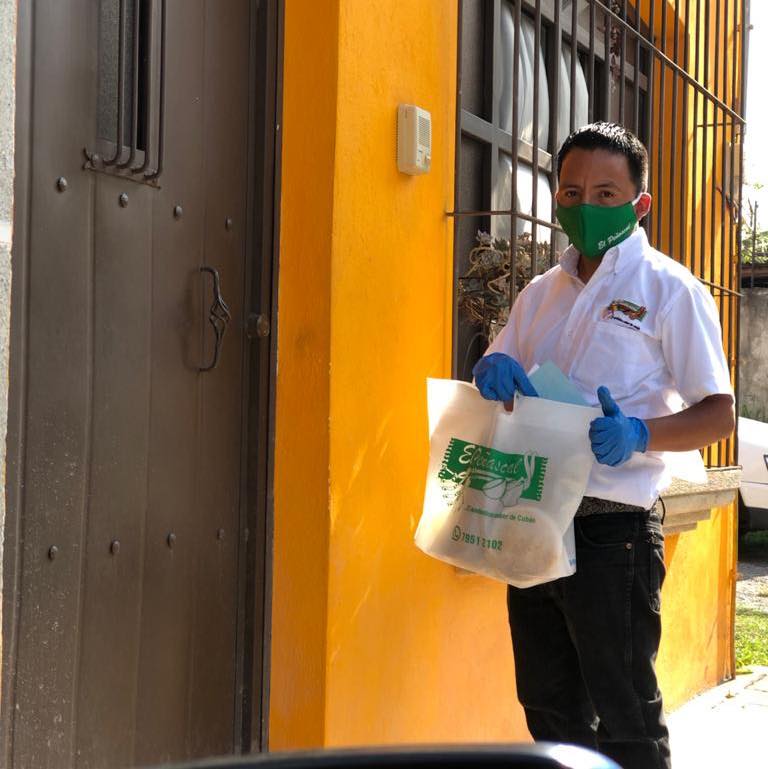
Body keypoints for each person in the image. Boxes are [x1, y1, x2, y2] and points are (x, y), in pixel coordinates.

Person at [471, 122, 734, 769]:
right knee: (550, 710)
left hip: (613, 532)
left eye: (607, 193)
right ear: (557, 197)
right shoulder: (540, 295)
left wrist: (640, 432)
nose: (586, 206)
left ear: (640, 204)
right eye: (572, 191)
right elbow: (497, 366)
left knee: (626, 717)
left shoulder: (671, 291)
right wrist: (490, 370)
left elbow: (719, 411)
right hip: (532, 520)